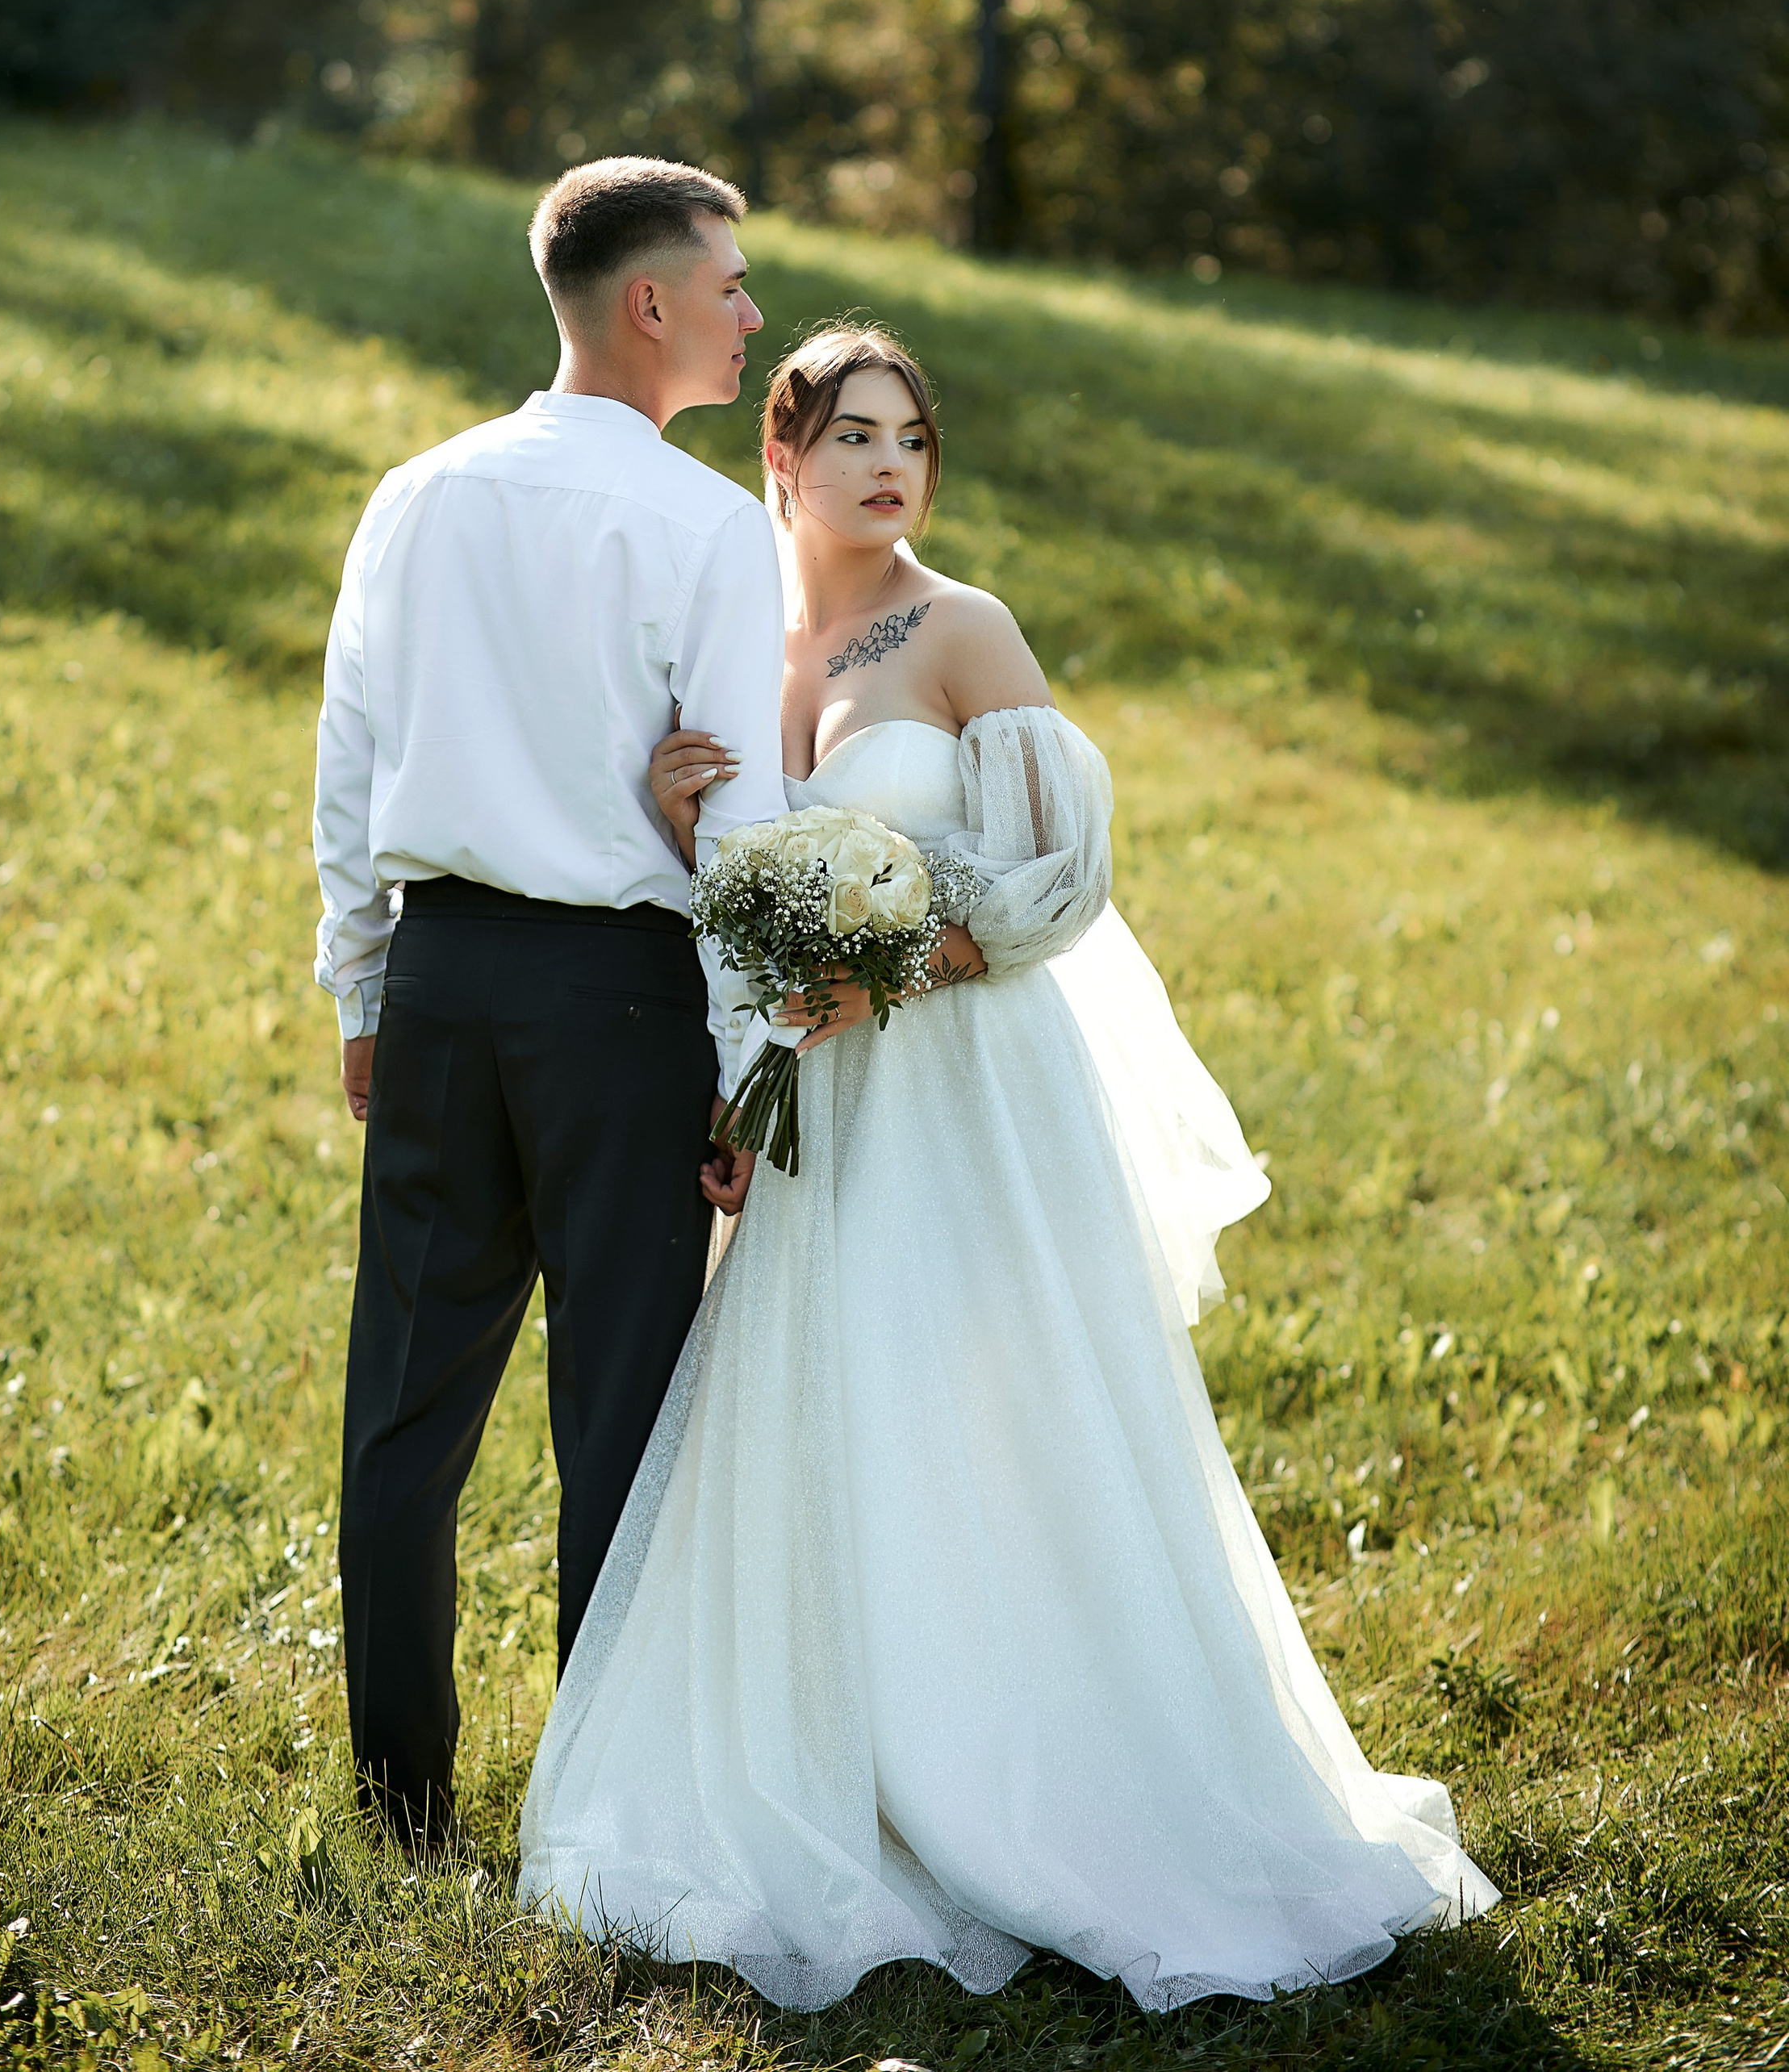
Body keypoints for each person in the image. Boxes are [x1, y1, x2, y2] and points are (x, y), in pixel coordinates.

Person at [517, 324, 1499, 2014]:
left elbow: (1061, 879)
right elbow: (750, 908)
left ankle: (1057, 1776)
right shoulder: (745, 645)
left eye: (910, 439)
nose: (885, 467)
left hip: (970, 1083)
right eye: (848, 438)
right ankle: (870, 1757)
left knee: (1004, 1408)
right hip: (831, 1107)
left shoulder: (959, 627)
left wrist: (895, 972)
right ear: (781, 456)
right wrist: (693, 837)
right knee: (848, 1412)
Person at [311, 157, 789, 1853]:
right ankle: (596, 1819)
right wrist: (751, 1070)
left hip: (439, 979)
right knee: (621, 1417)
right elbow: (738, 821)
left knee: (405, 1407)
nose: (750, 317)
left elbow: (349, 756)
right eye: (727, 285)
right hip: (619, 1000)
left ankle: (402, 1806)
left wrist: (363, 982)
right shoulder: (706, 527)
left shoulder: (416, 491)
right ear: (644, 302)